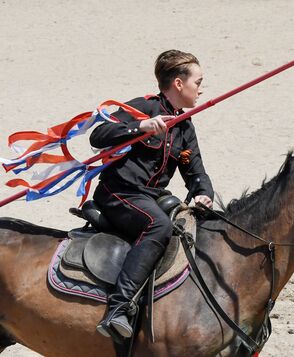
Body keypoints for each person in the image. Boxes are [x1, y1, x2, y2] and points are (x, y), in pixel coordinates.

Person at [89, 50, 214, 339]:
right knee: (158, 226)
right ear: (179, 84)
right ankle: (118, 308)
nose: (202, 88)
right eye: (198, 81)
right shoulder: (142, 107)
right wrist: (139, 126)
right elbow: (98, 136)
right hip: (119, 191)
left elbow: (195, 173)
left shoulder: (184, 125)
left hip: (152, 196)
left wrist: (203, 195)